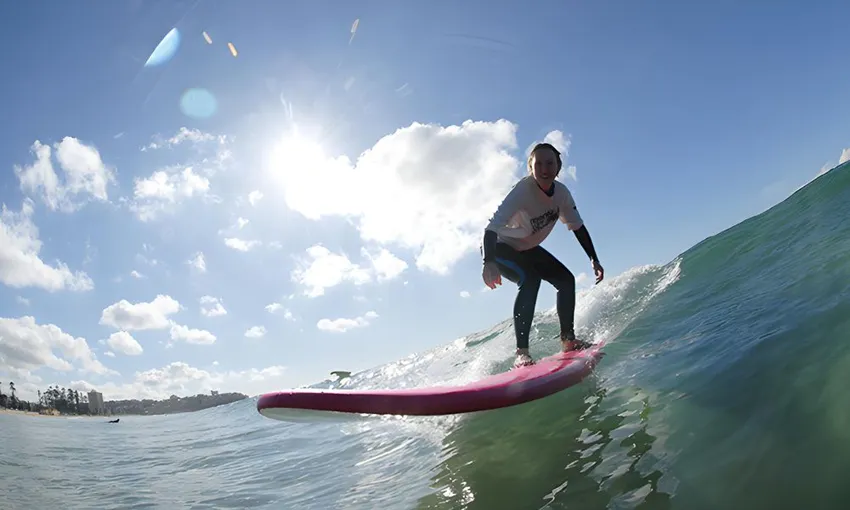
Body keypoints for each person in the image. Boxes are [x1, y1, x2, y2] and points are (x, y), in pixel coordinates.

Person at [481, 142, 604, 368]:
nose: (545, 168)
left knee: (566, 281)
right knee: (530, 280)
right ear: (531, 168)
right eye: (539, 164)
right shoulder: (521, 192)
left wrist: (593, 258)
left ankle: (568, 340)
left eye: (550, 163)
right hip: (500, 247)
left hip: (526, 248)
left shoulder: (562, 194)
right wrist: (488, 261)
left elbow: (578, 227)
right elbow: (490, 229)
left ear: (558, 167)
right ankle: (522, 353)